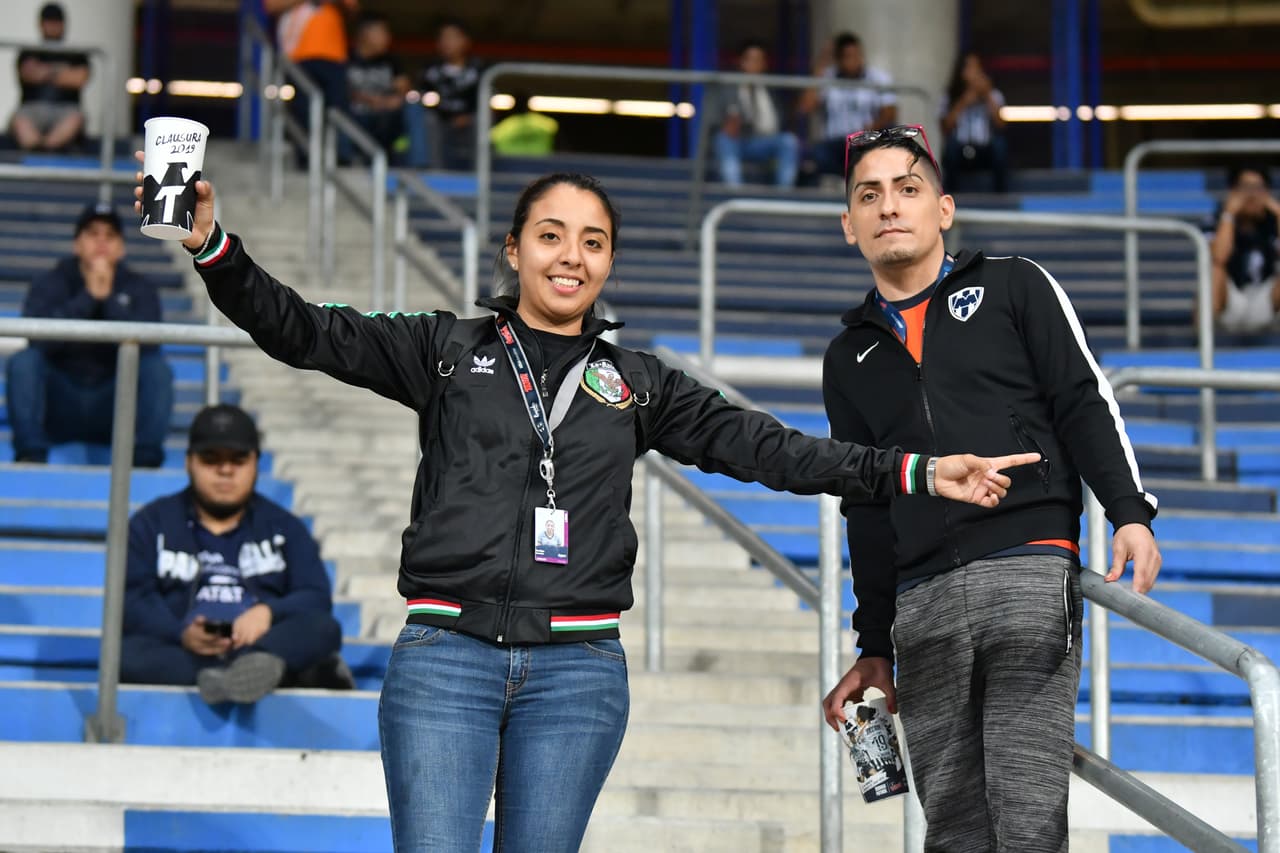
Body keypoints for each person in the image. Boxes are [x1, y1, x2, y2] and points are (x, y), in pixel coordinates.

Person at [135, 152, 1039, 849]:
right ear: (514, 249)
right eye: (552, 235)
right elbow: (301, 329)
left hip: (577, 674)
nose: (571, 256)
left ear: (608, 262)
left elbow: (773, 449)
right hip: (445, 660)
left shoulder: (637, 382)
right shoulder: (444, 350)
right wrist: (213, 246)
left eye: (593, 241)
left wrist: (917, 471)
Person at [820, 125, 1163, 852]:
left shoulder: (1014, 283)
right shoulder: (847, 355)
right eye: (869, 196)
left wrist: (1129, 513)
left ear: (943, 208)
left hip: (1027, 569)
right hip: (921, 603)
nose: (889, 206)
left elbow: (1081, 398)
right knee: (953, 831)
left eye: (908, 189)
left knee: (1027, 818)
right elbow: (866, 505)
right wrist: (874, 642)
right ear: (849, 225)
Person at [120, 403, 351, 704]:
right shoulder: (151, 523)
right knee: (123, 655)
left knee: (323, 629)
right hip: (185, 650)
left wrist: (268, 614)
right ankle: (264, 674)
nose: (225, 470)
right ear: (189, 462)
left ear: (256, 463)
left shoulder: (285, 527)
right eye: (210, 459)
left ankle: (258, 666)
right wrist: (182, 633)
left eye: (238, 460)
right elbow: (132, 599)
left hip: (263, 643)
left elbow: (315, 596)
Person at [6, 202, 173, 467]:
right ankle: (30, 455)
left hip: (114, 404)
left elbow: (151, 347)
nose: (101, 242)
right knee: (24, 361)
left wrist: (108, 301)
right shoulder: (50, 282)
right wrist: (88, 298)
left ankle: (145, 462)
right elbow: (36, 341)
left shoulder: (140, 287)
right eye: (93, 233)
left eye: (110, 235)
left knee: (157, 369)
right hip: (60, 402)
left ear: (121, 248)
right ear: (77, 244)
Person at [265, 0, 358, 164]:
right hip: (299, 56)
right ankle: (305, 156)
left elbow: (352, 9)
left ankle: (341, 156)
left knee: (338, 108)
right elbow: (271, 7)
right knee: (303, 109)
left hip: (334, 57)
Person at [799, 32, 897, 178]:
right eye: (847, 57)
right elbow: (805, 107)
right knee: (815, 155)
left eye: (857, 55)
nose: (853, 61)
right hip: (835, 142)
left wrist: (872, 128)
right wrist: (821, 64)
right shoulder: (828, 77)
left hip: (865, 138)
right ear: (838, 59)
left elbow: (890, 112)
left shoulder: (878, 77)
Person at [710, 40, 799, 188]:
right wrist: (727, 124)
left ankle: (784, 194)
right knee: (723, 139)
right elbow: (713, 119)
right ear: (741, 62)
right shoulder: (727, 87)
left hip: (765, 141)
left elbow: (781, 119)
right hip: (737, 140)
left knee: (788, 141)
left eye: (759, 60)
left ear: (764, 64)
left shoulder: (772, 87)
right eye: (750, 59)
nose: (754, 64)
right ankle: (735, 193)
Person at [1207, 165, 1280, 335]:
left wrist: (1278, 213)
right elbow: (1219, 257)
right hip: (1230, 300)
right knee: (1215, 269)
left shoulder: (1273, 222)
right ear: (1233, 191)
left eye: (1258, 188)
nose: (1252, 195)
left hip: (1266, 300)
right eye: (1245, 188)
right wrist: (1229, 214)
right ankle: (1202, 342)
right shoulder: (1217, 219)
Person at [8, 2, 90, 153]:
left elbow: (79, 79)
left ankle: (48, 148)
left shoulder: (76, 53)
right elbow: (29, 74)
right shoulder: (29, 51)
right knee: (20, 119)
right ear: (41, 24)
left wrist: (44, 72)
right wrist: (61, 73)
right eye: (49, 22)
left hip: (66, 108)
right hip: (32, 108)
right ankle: (36, 150)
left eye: (56, 22)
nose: (53, 27)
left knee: (75, 118)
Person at [417, 18, 484, 170]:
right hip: (440, 121)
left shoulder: (478, 70)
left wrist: (466, 117)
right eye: (443, 37)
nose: (447, 42)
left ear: (465, 41)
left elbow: (484, 100)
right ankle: (435, 171)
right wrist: (445, 116)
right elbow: (423, 98)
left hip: (469, 121)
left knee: (481, 119)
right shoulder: (430, 70)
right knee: (427, 119)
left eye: (453, 37)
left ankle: (480, 171)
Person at [940, 52, 1008, 193]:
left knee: (1000, 146)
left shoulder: (994, 95)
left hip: (985, 150)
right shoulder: (951, 95)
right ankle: (951, 194)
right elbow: (945, 128)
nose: (974, 73)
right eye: (970, 68)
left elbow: (1001, 125)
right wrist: (964, 101)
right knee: (950, 149)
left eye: (977, 68)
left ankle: (1000, 195)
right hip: (961, 150)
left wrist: (987, 95)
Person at [346, 12, 410, 159]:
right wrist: (369, 99)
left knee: (411, 110)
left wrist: (395, 100)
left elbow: (404, 88)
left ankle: (407, 160)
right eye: (382, 32)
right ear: (365, 33)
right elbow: (342, 89)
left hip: (386, 115)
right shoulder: (345, 57)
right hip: (356, 114)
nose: (387, 38)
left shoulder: (391, 61)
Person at [489, 93, 558, 157]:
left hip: (510, 163)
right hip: (539, 163)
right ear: (528, 104)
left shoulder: (503, 127)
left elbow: (493, 139)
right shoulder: (545, 124)